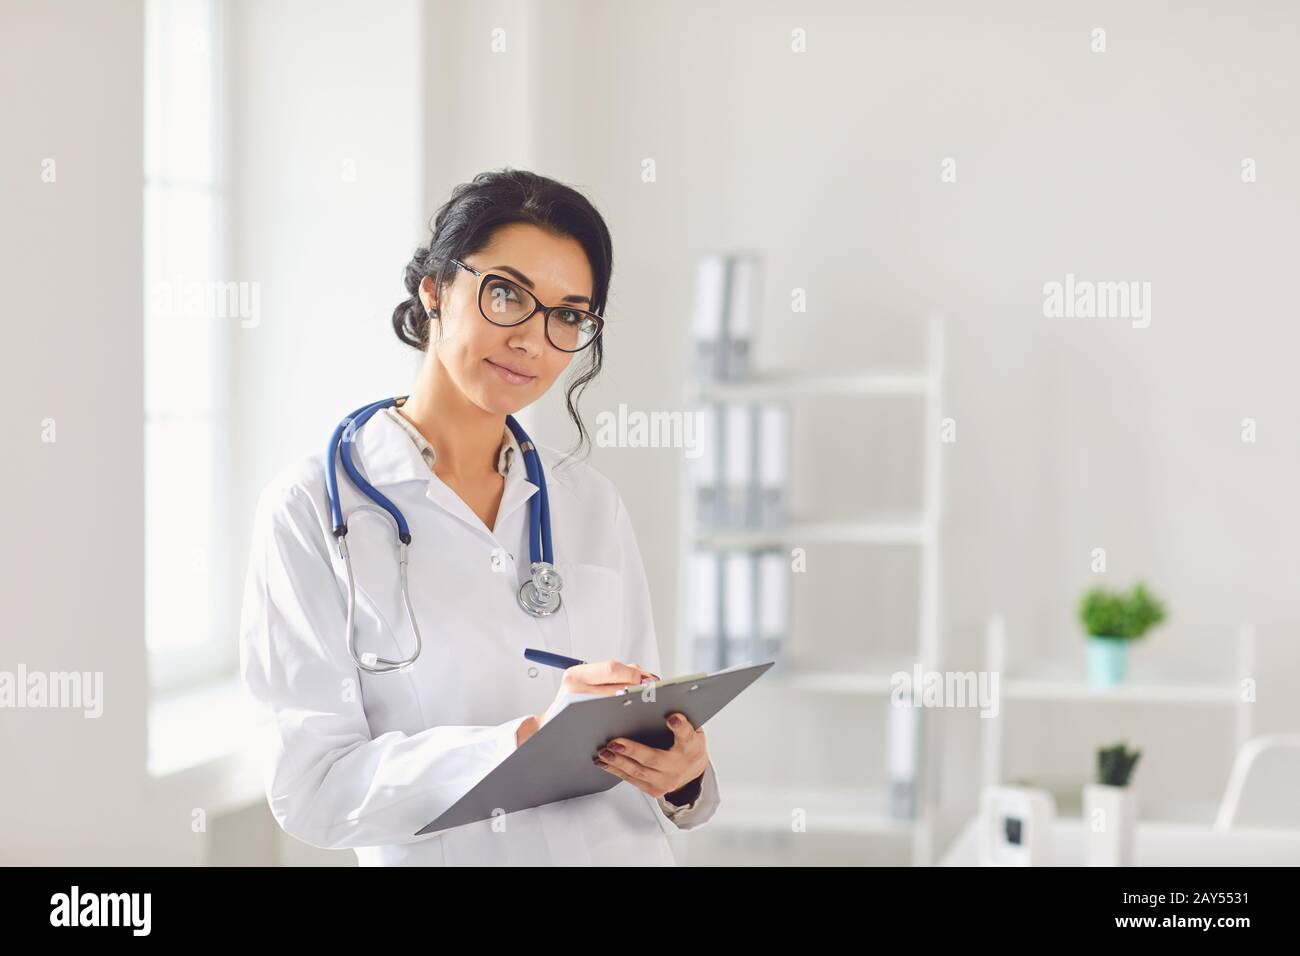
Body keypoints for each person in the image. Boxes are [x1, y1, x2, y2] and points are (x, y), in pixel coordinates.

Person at [239, 168, 719, 865]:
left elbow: (640, 726)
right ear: (433, 289)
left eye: (567, 315)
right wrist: (521, 741)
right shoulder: (310, 510)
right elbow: (312, 789)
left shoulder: (587, 503)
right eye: (506, 295)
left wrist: (682, 774)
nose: (533, 339)